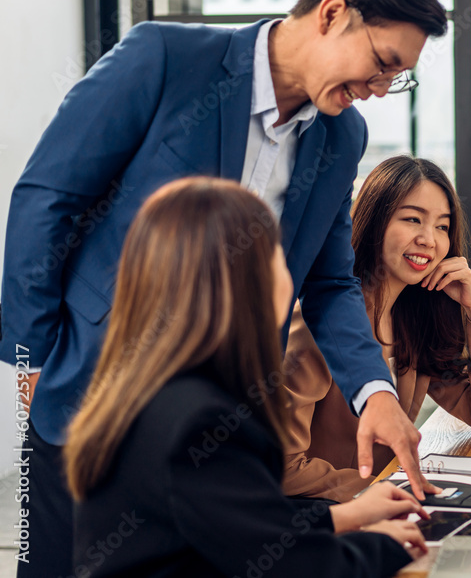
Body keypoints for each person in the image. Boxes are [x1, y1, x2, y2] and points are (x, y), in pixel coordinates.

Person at [0, 0, 446, 576]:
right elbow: (48, 199)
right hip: (90, 385)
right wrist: (30, 357)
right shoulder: (166, 60)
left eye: (396, 77)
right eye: (380, 63)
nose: (378, 90)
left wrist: (374, 391)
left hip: (219, 409)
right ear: (332, 13)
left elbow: (326, 280)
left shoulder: (341, 135)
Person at [63, 177, 428, 577]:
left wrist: (346, 516)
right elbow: (291, 564)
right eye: (278, 258)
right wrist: (388, 545)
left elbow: (241, 525)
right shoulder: (203, 422)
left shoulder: (141, 390)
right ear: (244, 281)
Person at [282, 156, 471, 501]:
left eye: (442, 226)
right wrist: (389, 491)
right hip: (322, 523)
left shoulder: (413, 322)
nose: (429, 240)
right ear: (374, 222)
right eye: (412, 219)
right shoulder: (319, 325)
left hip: (385, 515)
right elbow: (282, 470)